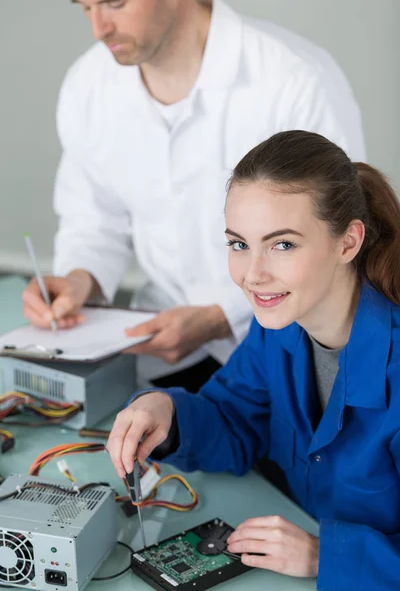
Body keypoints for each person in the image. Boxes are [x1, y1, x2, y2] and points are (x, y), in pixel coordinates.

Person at [22, 0, 366, 391]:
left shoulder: (295, 78)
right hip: (159, 346)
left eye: (115, 3)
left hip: (286, 352)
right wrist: (80, 279)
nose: (99, 29)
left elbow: (334, 238)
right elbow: (94, 217)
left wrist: (220, 316)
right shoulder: (89, 85)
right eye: (84, 7)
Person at [106, 130, 400, 589]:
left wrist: (328, 556)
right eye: (239, 244)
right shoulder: (276, 332)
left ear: (348, 242)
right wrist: (166, 412)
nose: (252, 274)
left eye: (282, 244)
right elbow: (234, 419)